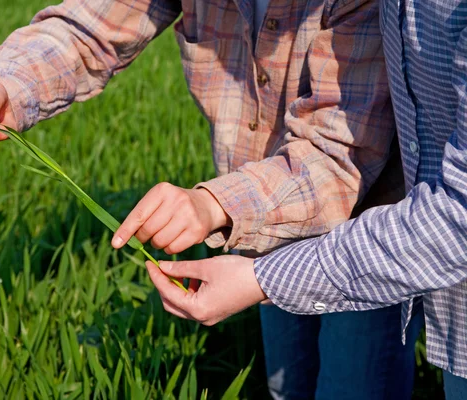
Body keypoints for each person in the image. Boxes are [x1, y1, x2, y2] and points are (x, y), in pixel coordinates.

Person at [0, 0, 417, 398]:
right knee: (286, 382)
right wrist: (6, 85)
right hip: (261, 231)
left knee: (354, 384)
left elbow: (338, 154)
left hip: (366, 233)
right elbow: (91, 27)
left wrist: (212, 206)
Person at [147, 0, 467, 398]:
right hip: (281, 235)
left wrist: (252, 268)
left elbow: (457, 214)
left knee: (353, 383)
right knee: (288, 383)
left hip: (376, 235)